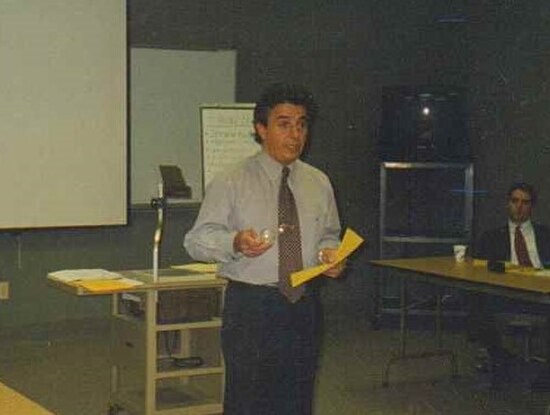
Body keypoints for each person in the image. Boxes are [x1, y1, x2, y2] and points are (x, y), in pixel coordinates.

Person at [184, 83, 345, 414]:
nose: (295, 134)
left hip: (303, 305)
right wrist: (235, 242)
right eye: (284, 124)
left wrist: (331, 254)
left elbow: (330, 234)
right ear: (261, 129)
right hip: (252, 308)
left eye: (301, 124)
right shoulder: (231, 180)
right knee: (249, 401)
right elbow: (196, 240)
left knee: (298, 399)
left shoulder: (318, 182)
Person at [472, 182, 550, 387]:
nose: (519, 207)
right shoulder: (491, 238)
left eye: (525, 202)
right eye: (515, 201)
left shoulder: (546, 236)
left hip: (543, 296)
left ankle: (544, 376)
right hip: (505, 297)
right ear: (508, 204)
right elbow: (479, 272)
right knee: (480, 300)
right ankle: (501, 363)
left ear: (532, 206)